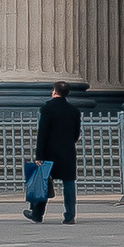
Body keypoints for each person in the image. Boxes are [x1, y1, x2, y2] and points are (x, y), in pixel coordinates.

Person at [29, 82, 81, 224]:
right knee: (69, 183)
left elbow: (42, 133)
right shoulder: (74, 110)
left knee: (42, 181)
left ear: (54, 92)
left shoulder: (47, 108)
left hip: (49, 152)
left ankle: (37, 214)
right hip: (68, 152)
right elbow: (76, 134)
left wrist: (39, 155)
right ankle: (70, 216)